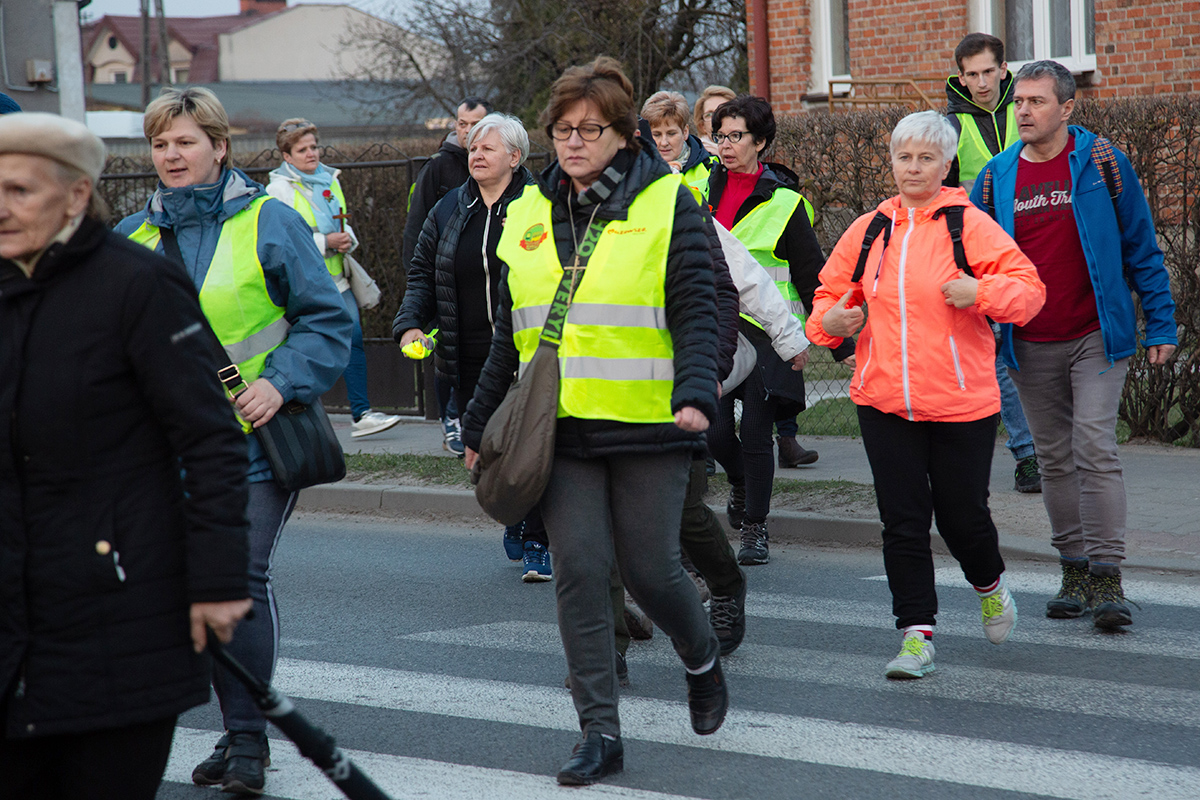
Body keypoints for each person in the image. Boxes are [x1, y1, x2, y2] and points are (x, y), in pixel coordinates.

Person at [460, 56, 727, 786]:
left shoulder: (668, 202)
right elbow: (513, 335)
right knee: (578, 571)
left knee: (651, 571)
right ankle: (599, 732)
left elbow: (698, 308)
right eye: (563, 130)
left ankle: (701, 658)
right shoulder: (525, 213)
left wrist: (696, 390)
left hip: (650, 422)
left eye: (591, 129)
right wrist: (479, 424)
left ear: (622, 134)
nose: (574, 142)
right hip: (561, 428)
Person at [0, 113, 251, 799]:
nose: (1, 209)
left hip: (116, 615)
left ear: (76, 195)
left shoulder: (137, 285)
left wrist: (218, 580)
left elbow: (209, 439)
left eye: (20, 190)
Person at [116, 87, 352, 795]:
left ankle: (248, 740)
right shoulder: (129, 236)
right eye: (160, 143)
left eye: (185, 141)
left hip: (253, 441)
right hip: (161, 451)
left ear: (219, 147)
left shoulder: (270, 221)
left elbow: (327, 321)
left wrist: (280, 383)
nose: (171, 154)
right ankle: (225, 727)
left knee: (239, 578)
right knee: (180, 588)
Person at [807, 110, 1045, 678]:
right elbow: (828, 298)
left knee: (963, 519)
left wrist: (979, 291)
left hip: (961, 403)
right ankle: (916, 636)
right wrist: (830, 323)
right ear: (891, 162)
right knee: (903, 522)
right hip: (883, 401)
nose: (913, 168)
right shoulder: (869, 229)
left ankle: (990, 586)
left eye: (926, 158)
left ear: (946, 164)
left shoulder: (970, 225)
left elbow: (1029, 291)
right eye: (904, 157)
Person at [970, 61, 1178, 630]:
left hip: (1096, 336)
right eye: (1018, 102)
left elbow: (1141, 246)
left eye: (1036, 102)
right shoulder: (995, 177)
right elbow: (970, 258)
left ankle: (1108, 577)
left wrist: (1161, 324)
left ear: (1066, 108)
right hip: (1029, 341)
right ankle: (1074, 570)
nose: (1023, 111)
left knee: (1094, 446)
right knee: (1054, 458)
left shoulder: (1102, 162)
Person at [392, 113, 554, 581]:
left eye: (487, 148)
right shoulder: (449, 207)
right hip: (466, 354)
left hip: (526, 350)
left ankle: (538, 541)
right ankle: (514, 513)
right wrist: (409, 325)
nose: (476, 155)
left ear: (515, 157)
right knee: (488, 448)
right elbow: (422, 273)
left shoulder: (539, 206)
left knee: (530, 446)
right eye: (473, 148)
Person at [699, 94, 844, 565]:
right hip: (715, 330)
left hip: (768, 336)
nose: (725, 145)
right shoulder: (697, 192)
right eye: (720, 136)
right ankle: (741, 482)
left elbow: (812, 278)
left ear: (760, 142)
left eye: (736, 136)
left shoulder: (786, 203)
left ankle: (755, 527)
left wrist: (840, 345)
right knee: (716, 433)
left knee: (759, 434)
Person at [945, 32, 1042, 493]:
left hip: (1038, 243)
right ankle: (1027, 454)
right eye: (973, 74)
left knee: (1045, 350)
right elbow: (944, 196)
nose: (982, 82)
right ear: (960, 77)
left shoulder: (1027, 109)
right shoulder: (951, 126)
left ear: (1004, 69)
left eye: (989, 71)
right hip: (982, 256)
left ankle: (1056, 445)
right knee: (1001, 356)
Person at [268, 117, 401, 438]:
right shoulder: (278, 190)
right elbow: (282, 241)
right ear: (287, 156)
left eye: (314, 147)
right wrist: (324, 242)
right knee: (302, 349)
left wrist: (347, 239)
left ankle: (362, 414)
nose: (311, 154)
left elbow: (342, 223)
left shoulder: (330, 180)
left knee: (354, 341)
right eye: (302, 150)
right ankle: (296, 415)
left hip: (338, 279)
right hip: (305, 285)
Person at [403, 97, 493, 456]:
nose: (467, 131)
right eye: (461, 123)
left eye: (476, 124)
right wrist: (420, 290)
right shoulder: (438, 167)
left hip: (484, 292)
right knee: (445, 355)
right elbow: (417, 228)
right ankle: (450, 420)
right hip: (445, 284)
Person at [641, 90, 718, 189]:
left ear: (685, 132)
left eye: (671, 134)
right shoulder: (634, 170)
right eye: (656, 135)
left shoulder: (710, 169)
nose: (664, 142)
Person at [693, 85, 736, 156]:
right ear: (702, 126)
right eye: (709, 114)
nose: (716, 118)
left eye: (723, 112)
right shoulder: (695, 156)